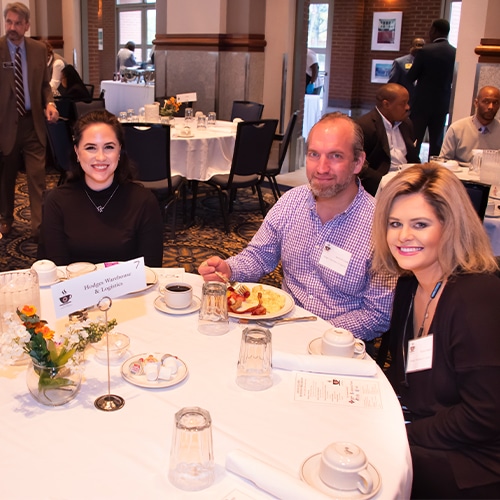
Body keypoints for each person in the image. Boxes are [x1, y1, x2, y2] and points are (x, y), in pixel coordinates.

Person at [198, 112, 396, 341]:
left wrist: (319, 334)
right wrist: (229, 269)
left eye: (335, 156)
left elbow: (377, 314)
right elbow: (260, 255)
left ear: (358, 162)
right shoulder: (292, 201)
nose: (321, 168)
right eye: (314, 154)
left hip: (338, 342)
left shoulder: (380, 227)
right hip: (282, 325)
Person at [372, 164, 500, 498]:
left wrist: (403, 432)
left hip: (475, 458)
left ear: (450, 228)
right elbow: (407, 377)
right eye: (395, 224)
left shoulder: (476, 300)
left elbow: (484, 416)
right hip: (428, 427)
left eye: (420, 225)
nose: (403, 237)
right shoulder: (409, 286)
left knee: (363, 465)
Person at [38, 110, 163, 267]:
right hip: (73, 290)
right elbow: (55, 271)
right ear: (77, 152)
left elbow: (151, 272)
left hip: (132, 292)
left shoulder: (144, 202)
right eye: (91, 148)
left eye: (109, 147)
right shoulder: (56, 202)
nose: (101, 157)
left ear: (119, 152)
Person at [0, 2, 59, 239]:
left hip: (32, 123)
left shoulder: (37, 49)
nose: (12, 27)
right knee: (6, 178)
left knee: (37, 177)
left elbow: (45, 85)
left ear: (27, 25)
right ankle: (5, 219)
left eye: (17, 23)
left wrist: (50, 103)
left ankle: (39, 227)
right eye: (8, 22)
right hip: (5, 126)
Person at [357, 83, 421, 196]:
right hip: (380, 184)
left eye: (407, 102)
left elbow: (413, 158)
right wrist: (385, 181)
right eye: (403, 103)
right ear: (386, 104)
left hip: (407, 181)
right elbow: (359, 165)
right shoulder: (365, 126)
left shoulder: (406, 124)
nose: (407, 107)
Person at [407, 19, 456, 159]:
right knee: (436, 142)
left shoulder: (424, 51)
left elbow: (411, 77)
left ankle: (412, 169)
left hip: (421, 104)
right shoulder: (455, 53)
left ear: (434, 30)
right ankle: (434, 170)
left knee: (415, 141)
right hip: (442, 104)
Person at [440, 85, 500, 163]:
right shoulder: (457, 129)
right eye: (486, 101)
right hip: (460, 174)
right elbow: (443, 162)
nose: (491, 107)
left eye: (495, 103)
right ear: (476, 103)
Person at [388, 37, 425, 105]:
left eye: (422, 45)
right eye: (418, 45)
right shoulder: (400, 62)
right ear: (411, 46)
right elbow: (392, 83)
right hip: (403, 102)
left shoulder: (427, 63)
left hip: (421, 104)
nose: (420, 48)